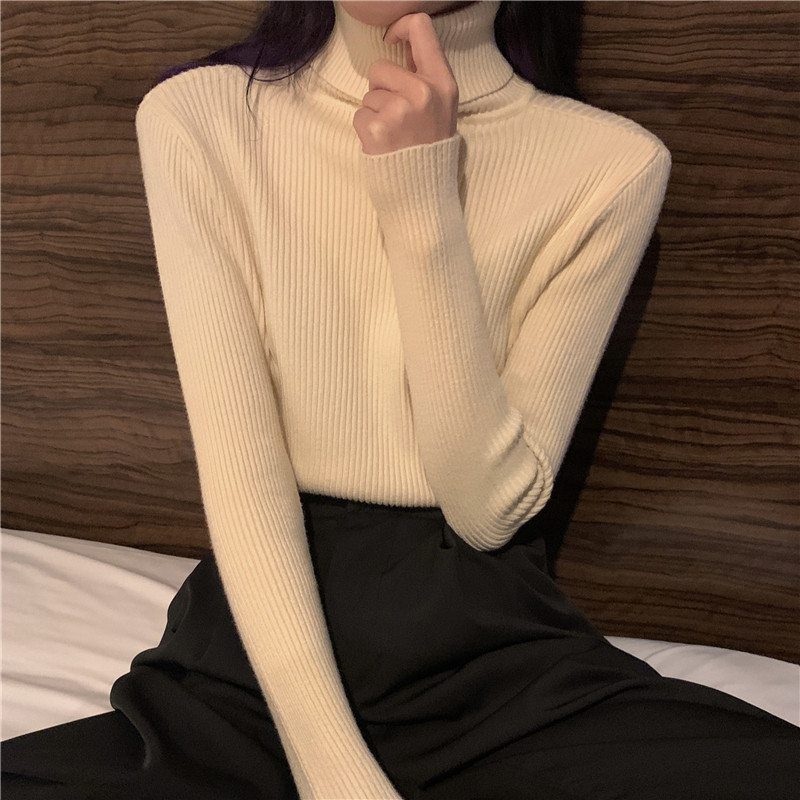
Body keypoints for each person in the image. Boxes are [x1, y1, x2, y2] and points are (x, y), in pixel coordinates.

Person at [3, 2, 799, 798]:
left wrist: (421, 196)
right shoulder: (205, 114)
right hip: (258, 646)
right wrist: (337, 774)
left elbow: (489, 509)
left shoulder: (611, 164)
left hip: (484, 650)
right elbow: (241, 468)